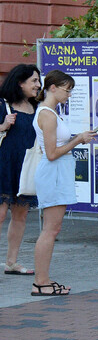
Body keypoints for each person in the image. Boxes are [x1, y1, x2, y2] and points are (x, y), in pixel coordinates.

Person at [30, 71, 96, 295]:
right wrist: (78, 139)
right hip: (54, 172)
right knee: (50, 229)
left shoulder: (49, 112)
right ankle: (41, 282)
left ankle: (43, 280)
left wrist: (77, 139)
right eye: (67, 90)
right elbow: (51, 154)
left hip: (58, 171)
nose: (69, 95)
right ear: (53, 88)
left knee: (52, 229)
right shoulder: (48, 114)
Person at [0, 64, 41, 276]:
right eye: (34, 80)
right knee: (0, 215)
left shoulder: (37, 107)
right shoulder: (3, 104)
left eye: (38, 80)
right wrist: (2, 126)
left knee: (20, 216)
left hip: (26, 167)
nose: (38, 85)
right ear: (20, 82)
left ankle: (11, 262)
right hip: (3, 166)